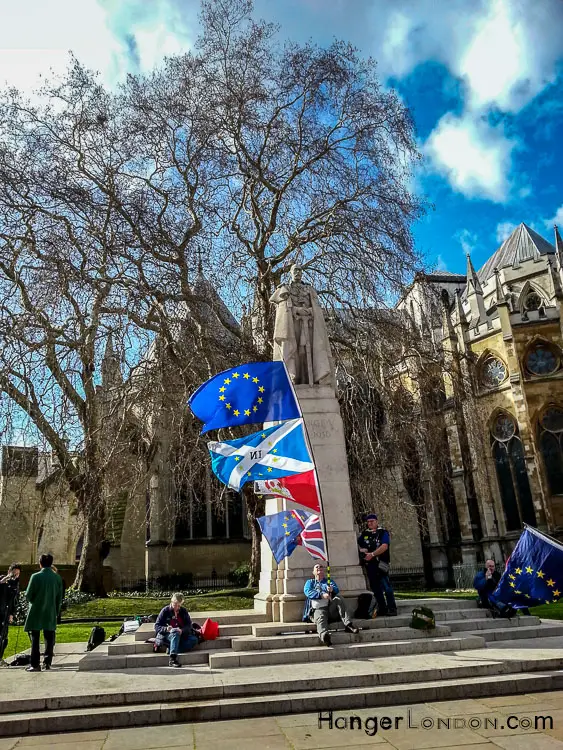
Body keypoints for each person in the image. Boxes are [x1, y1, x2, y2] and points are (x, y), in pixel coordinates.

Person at [24, 553, 64, 672]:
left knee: (35, 637)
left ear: (40, 563)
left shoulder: (35, 577)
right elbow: (59, 597)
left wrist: (34, 602)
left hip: (36, 610)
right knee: (49, 637)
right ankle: (47, 662)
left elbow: (28, 595)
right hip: (50, 610)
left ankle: (35, 664)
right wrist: (56, 610)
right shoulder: (57, 578)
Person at [303, 563, 359, 646]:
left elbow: (336, 589)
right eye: (316, 567)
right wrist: (321, 595)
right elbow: (308, 592)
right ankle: (325, 636)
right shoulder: (310, 582)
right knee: (321, 618)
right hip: (318, 610)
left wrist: (332, 589)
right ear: (313, 572)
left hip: (330, 609)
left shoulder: (329, 581)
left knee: (339, 598)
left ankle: (348, 624)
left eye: (321, 567)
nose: (319, 568)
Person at [358, 513, 397, 617]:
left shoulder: (382, 532)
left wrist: (372, 554)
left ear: (376, 522)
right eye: (368, 522)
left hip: (381, 563)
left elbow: (384, 546)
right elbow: (358, 544)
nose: (370, 523)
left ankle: (392, 608)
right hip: (370, 565)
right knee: (376, 588)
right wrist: (362, 550)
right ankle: (382, 608)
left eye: (372, 521)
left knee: (386, 587)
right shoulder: (365, 534)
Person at [154, 593, 199, 667]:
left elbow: (189, 625)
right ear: (172, 602)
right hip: (168, 635)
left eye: (179, 605)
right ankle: (173, 659)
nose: (177, 607)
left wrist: (182, 630)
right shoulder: (165, 611)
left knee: (194, 639)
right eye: (175, 605)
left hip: (181, 634)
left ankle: (172, 649)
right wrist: (166, 629)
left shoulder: (183, 611)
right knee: (175, 633)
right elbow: (157, 626)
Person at [0, 563, 22, 665]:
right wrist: (6, 579)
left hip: (6, 613)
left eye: (18, 574)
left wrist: (12, 613)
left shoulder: (15, 584)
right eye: (14, 574)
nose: (15, 576)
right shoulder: (3, 579)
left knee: (4, 638)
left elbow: (14, 600)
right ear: (9, 571)